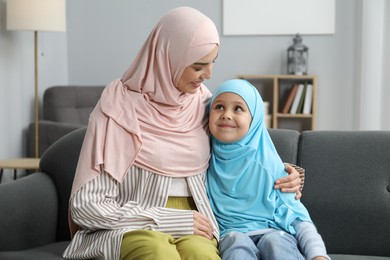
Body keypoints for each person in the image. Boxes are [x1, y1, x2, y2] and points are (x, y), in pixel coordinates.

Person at [63, 7, 302, 260]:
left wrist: (286, 174)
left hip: (198, 224)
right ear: (168, 57)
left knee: (204, 256)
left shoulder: (206, 105)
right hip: (130, 225)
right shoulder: (116, 109)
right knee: (157, 252)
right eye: (198, 66)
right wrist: (169, 219)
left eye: (212, 63)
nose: (209, 74)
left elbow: (243, 153)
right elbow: (85, 207)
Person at [206, 79, 329, 260]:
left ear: (254, 118)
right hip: (230, 234)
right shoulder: (203, 160)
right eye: (219, 107)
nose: (226, 115)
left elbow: (297, 217)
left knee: (275, 243)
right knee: (237, 246)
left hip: (275, 231)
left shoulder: (271, 168)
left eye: (238, 108)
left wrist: (318, 255)